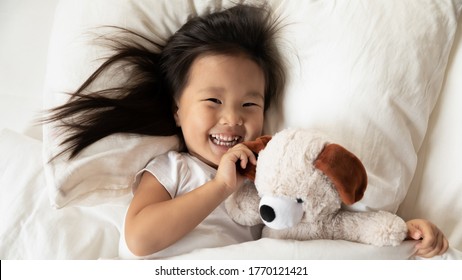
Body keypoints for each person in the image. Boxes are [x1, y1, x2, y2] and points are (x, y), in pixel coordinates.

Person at [44, 4, 448, 259]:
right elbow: (139, 238)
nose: (232, 119)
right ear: (177, 110)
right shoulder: (172, 169)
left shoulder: (264, 182)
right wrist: (218, 187)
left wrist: (405, 232)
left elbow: (323, 224)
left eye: (249, 104)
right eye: (213, 102)